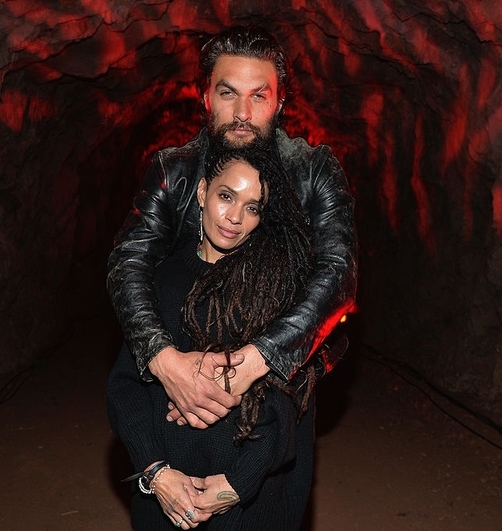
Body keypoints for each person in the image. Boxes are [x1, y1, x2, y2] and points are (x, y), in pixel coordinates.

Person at [106, 24, 356, 429]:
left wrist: (257, 360)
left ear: (279, 103)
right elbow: (129, 261)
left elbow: (339, 274)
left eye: (259, 95)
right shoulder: (174, 171)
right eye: (228, 93)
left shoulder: (314, 171)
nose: (243, 113)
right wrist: (166, 362)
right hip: (182, 388)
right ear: (206, 98)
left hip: (281, 386)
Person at [107, 144, 318, 529]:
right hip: (166, 501)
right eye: (226, 196)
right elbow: (126, 389)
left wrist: (237, 484)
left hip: (248, 505)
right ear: (203, 192)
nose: (235, 217)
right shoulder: (157, 279)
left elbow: (291, 404)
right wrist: (157, 474)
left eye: (252, 207)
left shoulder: (275, 288)